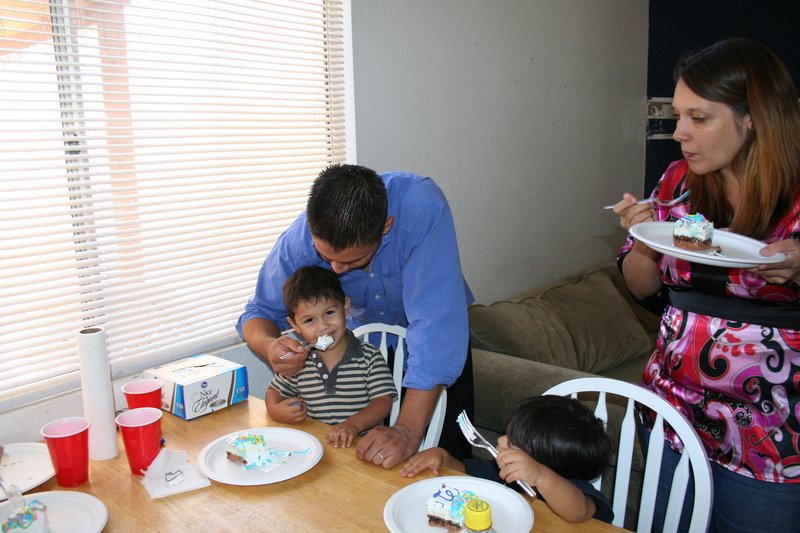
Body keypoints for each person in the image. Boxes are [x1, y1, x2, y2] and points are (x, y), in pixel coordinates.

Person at [611, 38, 800, 532]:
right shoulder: (679, 181)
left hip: (775, 430)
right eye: (678, 116)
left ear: (753, 117)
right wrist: (643, 238)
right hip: (672, 411)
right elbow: (640, 287)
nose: (679, 133)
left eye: (699, 117)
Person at [237, 163, 474, 466]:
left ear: (386, 226)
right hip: (368, 348)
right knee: (367, 463)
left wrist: (406, 429)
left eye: (351, 261)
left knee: (446, 462)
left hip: (438, 348)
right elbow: (258, 312)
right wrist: (270, 346)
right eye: (326, 258)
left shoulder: (422, 209)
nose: (336, 269)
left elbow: (436, 330)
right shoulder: (300, 238)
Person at [400, 395, 613, 524]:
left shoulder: (575, 490)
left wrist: (541, 476)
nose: (500, 440)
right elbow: (467, 471)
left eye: (511, 443)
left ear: (544, 461)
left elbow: (579, 512)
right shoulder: (502, 472)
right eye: (506, 435)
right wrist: (444, 457)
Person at [266, 266, 397, 448]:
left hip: (359, 449)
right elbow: (274, 392)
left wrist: (353, 425)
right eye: (309, 320)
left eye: (329, 313)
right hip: (315, 447)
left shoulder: (369, 357)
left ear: (345, 305)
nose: (323, 326)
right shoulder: (298, 361)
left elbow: (383, 401)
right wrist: (275, 410)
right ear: (295, 325)